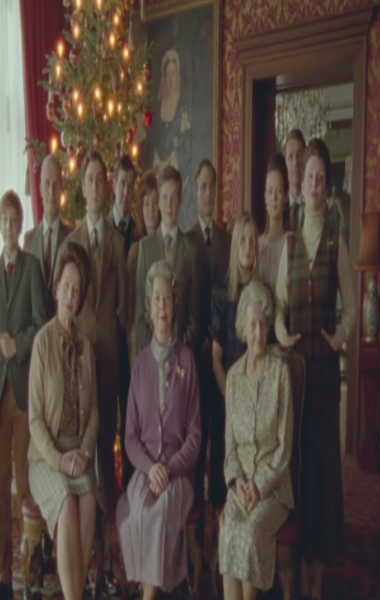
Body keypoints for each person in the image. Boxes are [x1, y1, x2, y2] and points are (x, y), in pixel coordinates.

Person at [275, 138, 356, 600]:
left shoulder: (336, 241)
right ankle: (294, 567)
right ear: (300, 183)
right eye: (309, 176)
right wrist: (281, 333)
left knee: (322, 476)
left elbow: (351, 307)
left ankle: (317, 579)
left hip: (324, 379)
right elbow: (278, 305)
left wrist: (339, 337)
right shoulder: (288, 244)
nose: (315, 185)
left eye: (322, 178)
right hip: (293, 378)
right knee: (297, 474)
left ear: (327, 186)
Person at [117, 260, 201, 600]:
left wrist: (169, 468)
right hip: (146, 471)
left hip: (179, 475)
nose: (163, 305)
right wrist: (151, 468)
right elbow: (130, 436)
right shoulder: (139, 365)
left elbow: (195, 435)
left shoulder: (188, 360)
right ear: (149, 311)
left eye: (167, 298)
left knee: (159, 512)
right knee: (132, 512)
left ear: (174, 307)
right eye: (156, 299)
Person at [65, 151, 127, 597]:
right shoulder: (71, 242)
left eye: (100, 180)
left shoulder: (119, 243)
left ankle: (105, 560)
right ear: (82, 188)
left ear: (106, 189)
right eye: (89, 179)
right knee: (81, 460)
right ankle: (83, 561)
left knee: (107, 460)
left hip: (109, 367)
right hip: (77, 369)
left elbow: (124, 306)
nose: (95, 186)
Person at [0, 190, 46, 600]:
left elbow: (41, 323)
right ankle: (4, 579)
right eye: (3, 220)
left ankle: (31, 578)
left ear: (21, 225)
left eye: (13, 220)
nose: (8, 226)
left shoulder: (32, 267)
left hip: (23, 394)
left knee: (25, 486)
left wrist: (17, 345)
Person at [28, 241, 99, 600]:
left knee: (89, 502)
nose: (70, 295)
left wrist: (84, 453)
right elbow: (35, 420)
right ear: (56, 287)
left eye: (77, 289)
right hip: (46, 458)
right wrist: (59, 459)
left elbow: (95, 412)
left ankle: (75, 594)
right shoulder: (42, 343)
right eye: (66, 286)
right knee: (67, 505)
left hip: (78, 454)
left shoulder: (86, 347)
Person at [219, 280, 294, 600]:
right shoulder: (234, 377)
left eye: (264, 324)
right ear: (242, 329)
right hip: (240, 488)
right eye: (252, 325)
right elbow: (230, 447)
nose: (259, 332)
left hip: (272, 491)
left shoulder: (280, 375)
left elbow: (284, 449)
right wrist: (238, 483)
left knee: (249, 534)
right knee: (228, 528)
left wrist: (259, 487)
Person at [186, 159, 231, 518]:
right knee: (196, 440)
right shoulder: (186, 241)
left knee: (221, 436)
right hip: (193, 358)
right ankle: (195, 515)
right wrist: (198, 339)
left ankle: (218, 507)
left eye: (212, 186)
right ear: (194, 191)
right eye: (202, 186)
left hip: (221, 356)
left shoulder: (228, 242)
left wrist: (217, 339)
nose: (207, 192)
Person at [134, 165, 205, 355]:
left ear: (180, 201)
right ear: (158, 201)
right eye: (164, 197)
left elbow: (194, 318)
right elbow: (140, 316)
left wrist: (178, 353)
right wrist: (154, 352)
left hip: (181, 357)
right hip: (151, 354)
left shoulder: (192, 252)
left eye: (173, 198)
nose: (169, 204)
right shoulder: (145, 248)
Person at [106, 154, 143, 489]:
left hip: (132, 341)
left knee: (132, 418)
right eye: (122, 184)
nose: (126, 192)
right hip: (107, 341)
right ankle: (106, 493)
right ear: (113, 185)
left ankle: (131, 490)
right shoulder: (103, 231)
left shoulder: (141, 233)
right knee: (107, 423)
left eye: (131, 186)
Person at [142, 49, 193, 230]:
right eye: (167, 74)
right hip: (157, 175)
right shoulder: (157, 109)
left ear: (177, 77)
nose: (170, 79)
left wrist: (168, 165)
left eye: (173, 74)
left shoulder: (182, 109)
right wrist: (157, 164)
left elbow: (185, 147)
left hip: (175, 176)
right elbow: (152, 141)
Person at [211, 212, 260, 398]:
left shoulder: (264, 293)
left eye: (252, 241)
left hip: (257, 389)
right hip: (230, 389)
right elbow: (216, 357)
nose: (247, 247)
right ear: (235, 245)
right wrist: (230, 399)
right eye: (242, 240)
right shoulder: (220, 292)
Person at [24, 154, 74, 321]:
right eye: (47, 184)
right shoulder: (28, 240)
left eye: (56, 184)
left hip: (62, 327)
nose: (51, 192)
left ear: (62, 190)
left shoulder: (72, 238)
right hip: (35, 330)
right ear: (40, 190)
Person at [126, 170, 160, 366]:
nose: (151, 210)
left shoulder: (167, 245)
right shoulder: (135, 252)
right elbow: (131, 307)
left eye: (155, 203)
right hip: (140, 341)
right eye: (146, 204)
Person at [259, 153, 289, 297]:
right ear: (265, 196)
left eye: (279, 191)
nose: (274, 197)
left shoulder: (292, 243)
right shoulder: (257, 245)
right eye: (270, 191)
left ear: (286, 197)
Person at [283, 129, 306, 233]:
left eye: (299, 155)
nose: (295, 162)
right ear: (285, 162)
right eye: (290, 157)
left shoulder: (312, 203)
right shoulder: (279, 204)